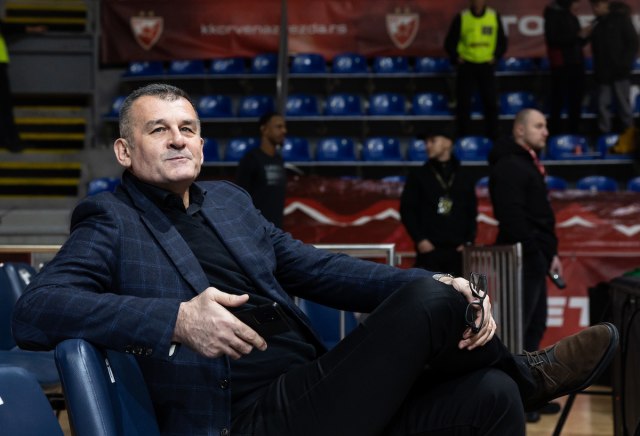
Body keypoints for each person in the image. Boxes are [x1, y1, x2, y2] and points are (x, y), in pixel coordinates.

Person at [12, 84, 618, 436]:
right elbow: (35, 310)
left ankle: (517, 380)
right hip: (243, 417)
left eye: (188, 128)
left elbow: (321, 269)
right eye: (158, 129)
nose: (177, 138)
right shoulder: (110, 219)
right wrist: (176, 320)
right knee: (434, 302)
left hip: (314, 391)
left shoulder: (230, 201)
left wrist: (440, 277)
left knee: (491, 394)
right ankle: (531, 374)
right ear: (124, 151)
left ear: (202, 143)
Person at [488, 108, 565, 421]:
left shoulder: (527, 163)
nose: (546, 131)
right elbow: (511, 215)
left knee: (534, 327)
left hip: (535, 256)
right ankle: (515, 400)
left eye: (546, 125)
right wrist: (535, 251)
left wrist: (549, 252)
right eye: (539, 126)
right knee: (516, 331)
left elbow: (538, 214)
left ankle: (530, 394)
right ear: (519, 130)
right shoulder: (509, 165)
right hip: (520, 257)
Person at [400, 133, 477, 276]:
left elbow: (471, 211)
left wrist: (468, 241)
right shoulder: (418, 175)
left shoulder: (464, 175)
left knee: (458, 289)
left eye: (432, 141)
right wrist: (420, 239)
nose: (427, 146)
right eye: (426, 142)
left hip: (458, 251)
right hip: (429, 250)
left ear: (447, 143)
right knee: (428, 288)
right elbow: (407, 210)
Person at [444, 0, 507, 140]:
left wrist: (496, 56)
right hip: (467, 65)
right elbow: (449, 43)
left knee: (491, 102)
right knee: (463, 103)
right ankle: (463, 136)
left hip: (486, 65)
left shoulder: (493, 16)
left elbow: (502, 41)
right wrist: (456, 57)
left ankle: (494, 136)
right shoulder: (462, 17)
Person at [589, 0, 639, 142]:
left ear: (606, 4)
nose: (595, 9)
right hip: (603, 73)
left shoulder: (622, 20)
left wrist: (624, 64)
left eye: (597, 5)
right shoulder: (597, 24)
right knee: (602, 105)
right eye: (593, 6)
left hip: (620, 72)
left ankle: (629, 136)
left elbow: (632, 43)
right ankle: (604, 137)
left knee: (624, 106)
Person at [543, 0, 592, 134]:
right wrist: (577, 36)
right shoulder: (552, 15)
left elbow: (578, 42)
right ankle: (554, 132)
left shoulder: (572, 16)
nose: (577, 6)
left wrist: (586, 35)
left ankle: (574, 132)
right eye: (575, 2)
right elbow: (553, 39)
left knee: (576, 100)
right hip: (561, 64)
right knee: (558, 100)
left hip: (576, 63)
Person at [236, 111, 287, 228]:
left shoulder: (279, 160)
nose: (284, 131)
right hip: (255, 229)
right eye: (278, 127)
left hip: (276, 229)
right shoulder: (251, 159)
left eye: (284, 127)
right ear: (264, 129)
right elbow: (240, 198)